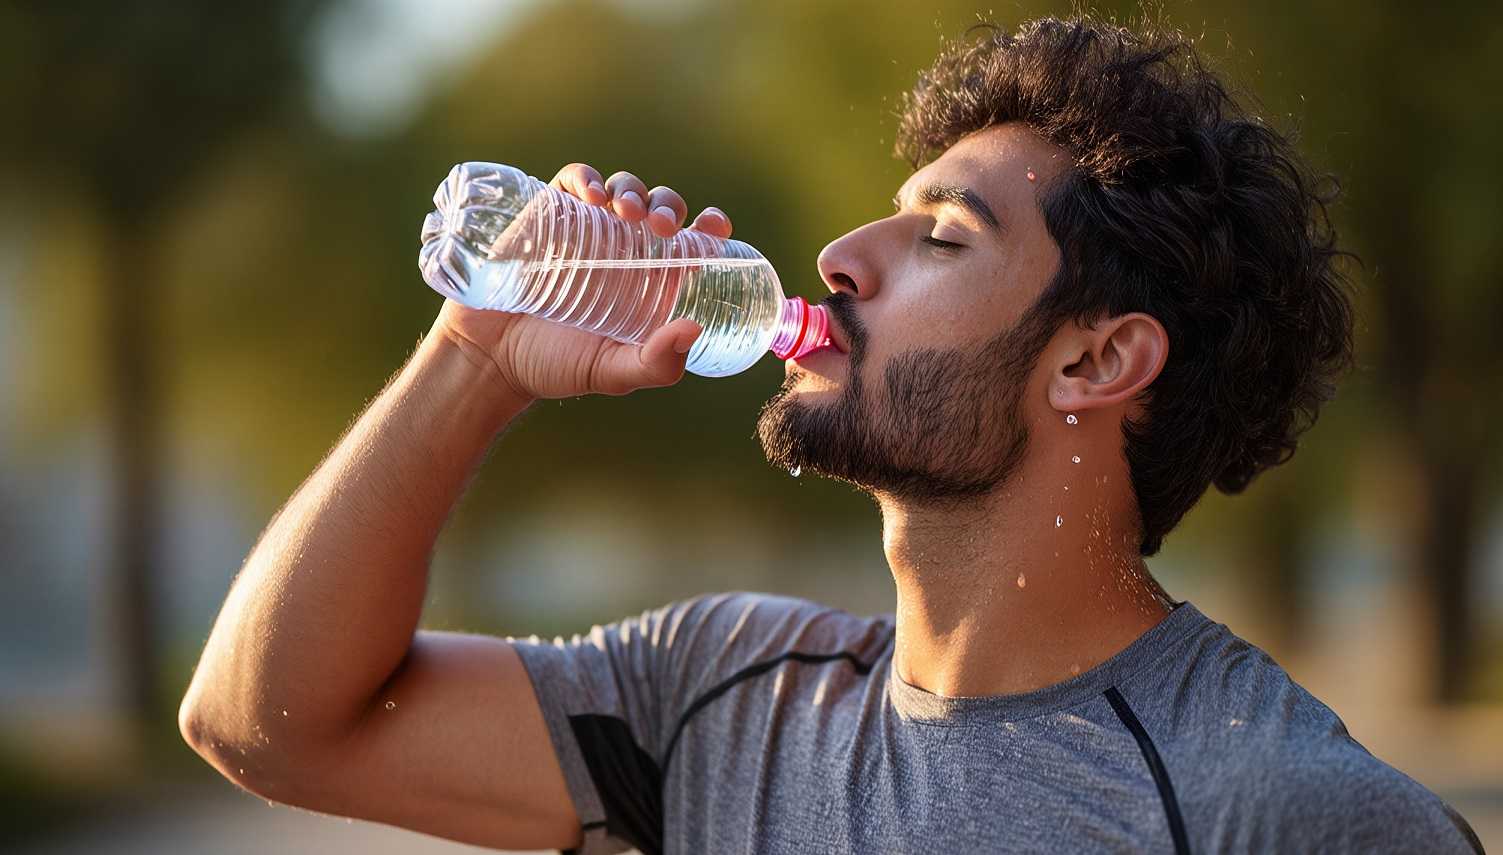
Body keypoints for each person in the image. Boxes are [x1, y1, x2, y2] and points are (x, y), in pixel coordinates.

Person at [178, 14, 1484, 855]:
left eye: (944, 237)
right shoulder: (718, 693)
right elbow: (268, 724)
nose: (843, 259)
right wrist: (476, 360)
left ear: (1097, 358)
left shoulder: (1278, 806)